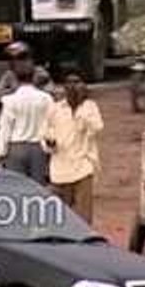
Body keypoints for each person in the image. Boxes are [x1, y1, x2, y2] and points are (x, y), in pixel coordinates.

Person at [42, 73, 103, 224]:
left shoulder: (90, 107)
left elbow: (97, 128)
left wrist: (80, 109)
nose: (74, 86)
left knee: (84, 218)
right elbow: (44, 133)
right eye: (70, 83)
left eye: (77, 82)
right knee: (59, 218)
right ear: (64, 87)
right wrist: (49, 143)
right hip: (59, 169)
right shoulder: (55, 109)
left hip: (83, 167)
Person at [0, 58, 54, 185]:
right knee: (38, 189)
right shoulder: (46, 98)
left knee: (18, 189)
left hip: (15, 149)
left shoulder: (9, 100)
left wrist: (1, 152)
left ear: (15, 78)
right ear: (33, 77)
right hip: (39, 148)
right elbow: (52, 123)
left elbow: (5, 128)